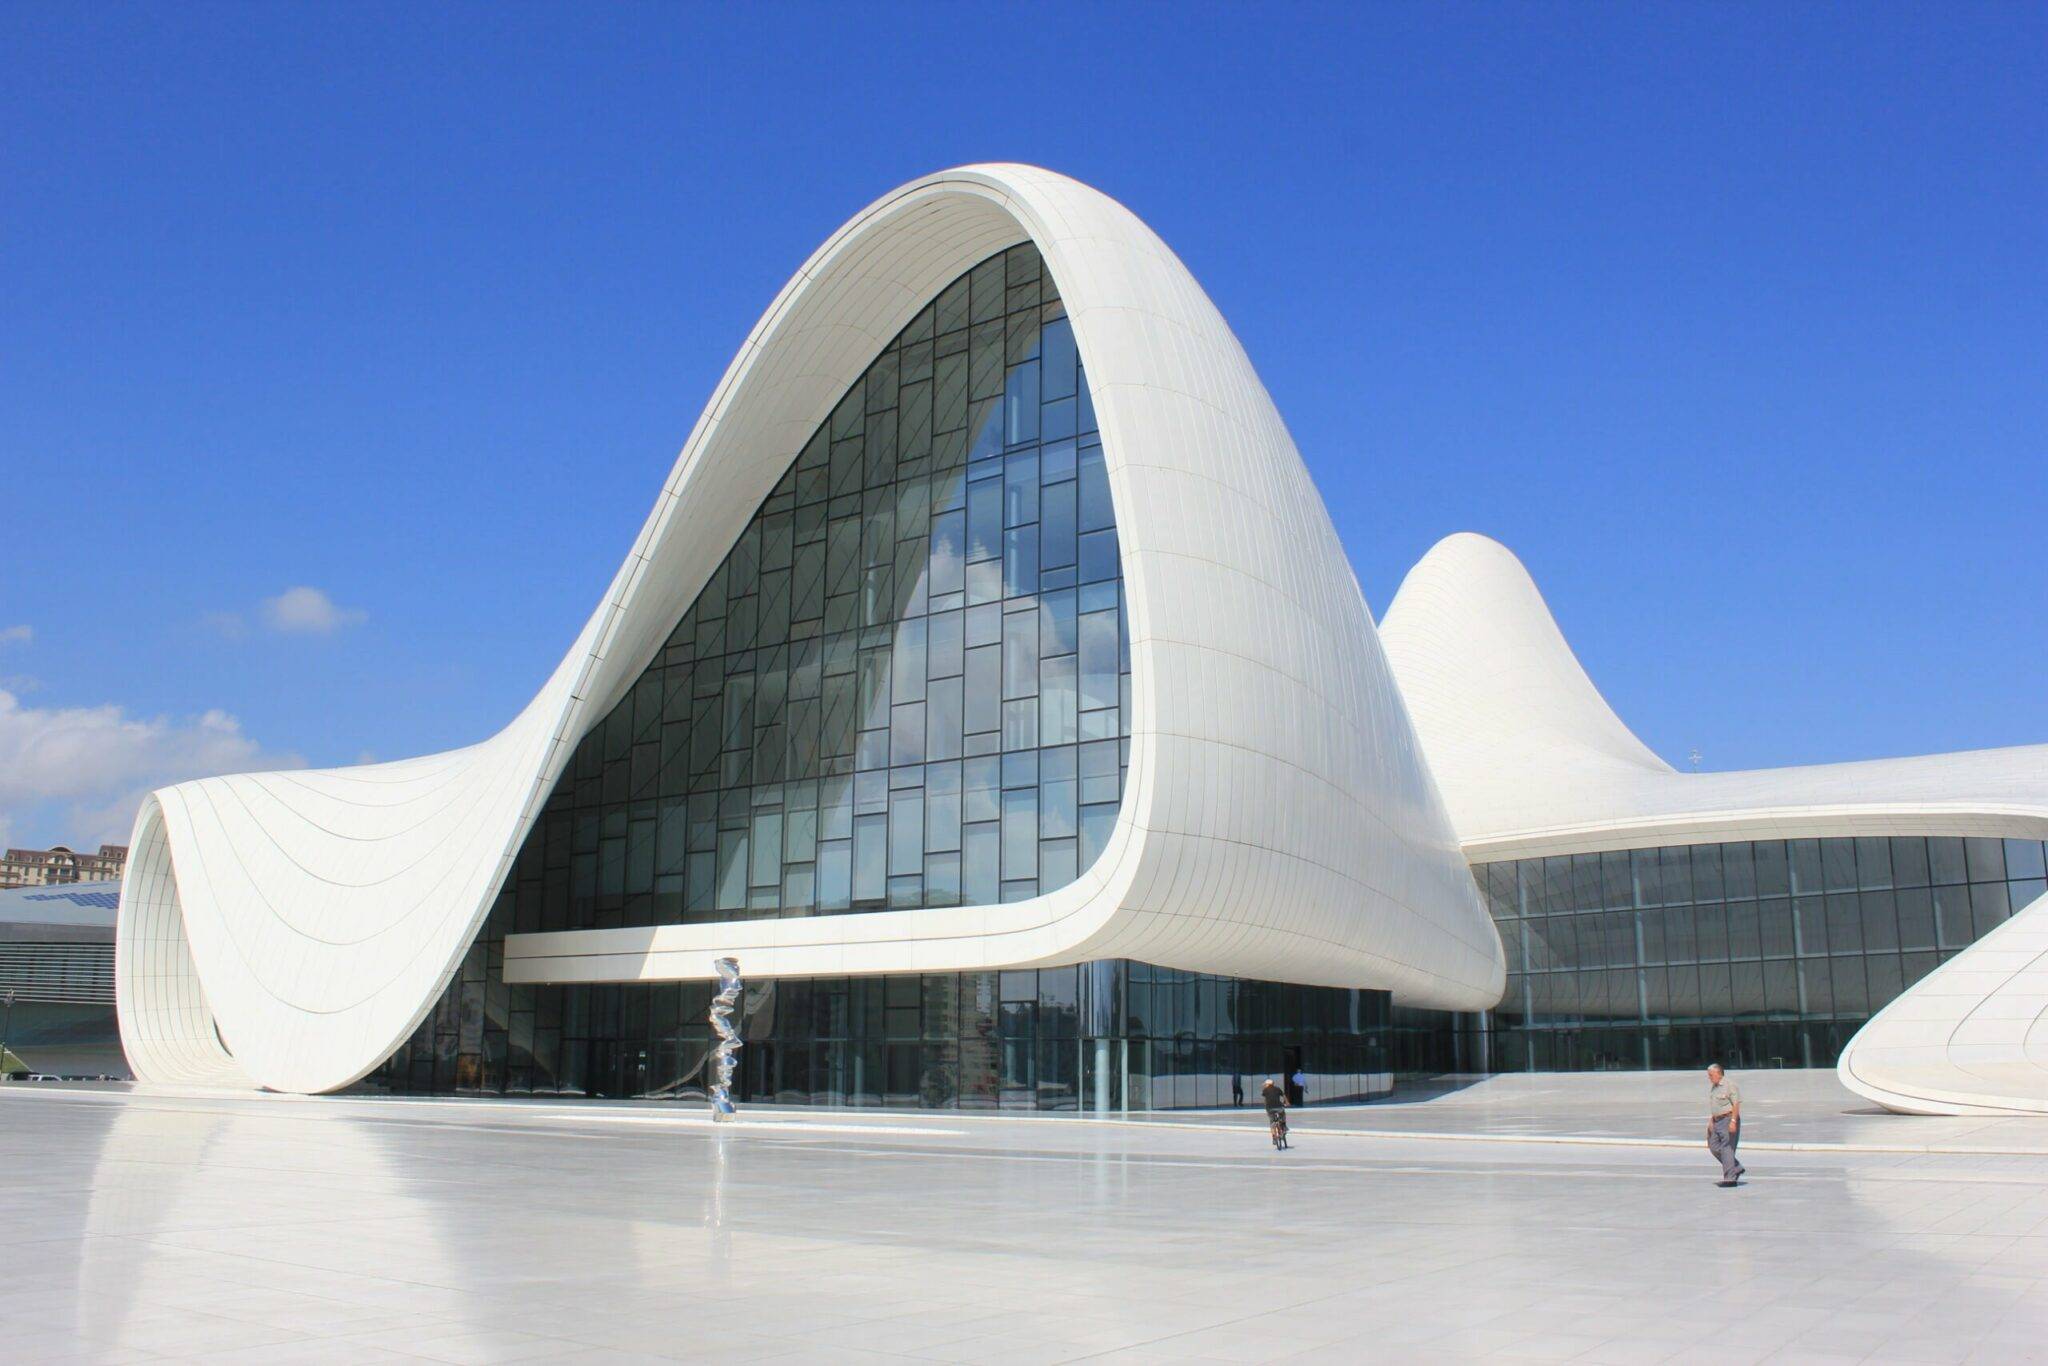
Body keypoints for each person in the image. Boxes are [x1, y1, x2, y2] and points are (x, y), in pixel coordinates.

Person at [1706, 1063, 1745, 1186]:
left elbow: (1736, 1104)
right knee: (1713, 1146)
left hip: (1728, 1119)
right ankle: (1736, 1167)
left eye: (1711, 1075)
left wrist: (1733, 1121)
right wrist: (1711, 1121)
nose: (1709, 1077)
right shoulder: (1714, 1087)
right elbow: (1715, 1106)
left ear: (1718, 1073)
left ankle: (1730, 1179)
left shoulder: (1729, 1085)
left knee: (1727, 1148)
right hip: (1717, 1121)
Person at [1261, 1077, 1289, 1149]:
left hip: (1269, 1108)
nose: (1265, 1085)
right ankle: (1284, 1126)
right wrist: (1287, 1102)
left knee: (1272, 1122)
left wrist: (1266, 1106)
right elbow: (1284, 1096)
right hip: (1279, 1107)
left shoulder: (1265, 1090)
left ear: (1268, 1084)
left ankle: (1274, 1137)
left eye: (1265, 1084)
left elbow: (1265, 1100)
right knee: (1283, 1114)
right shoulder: (1277, 1088)